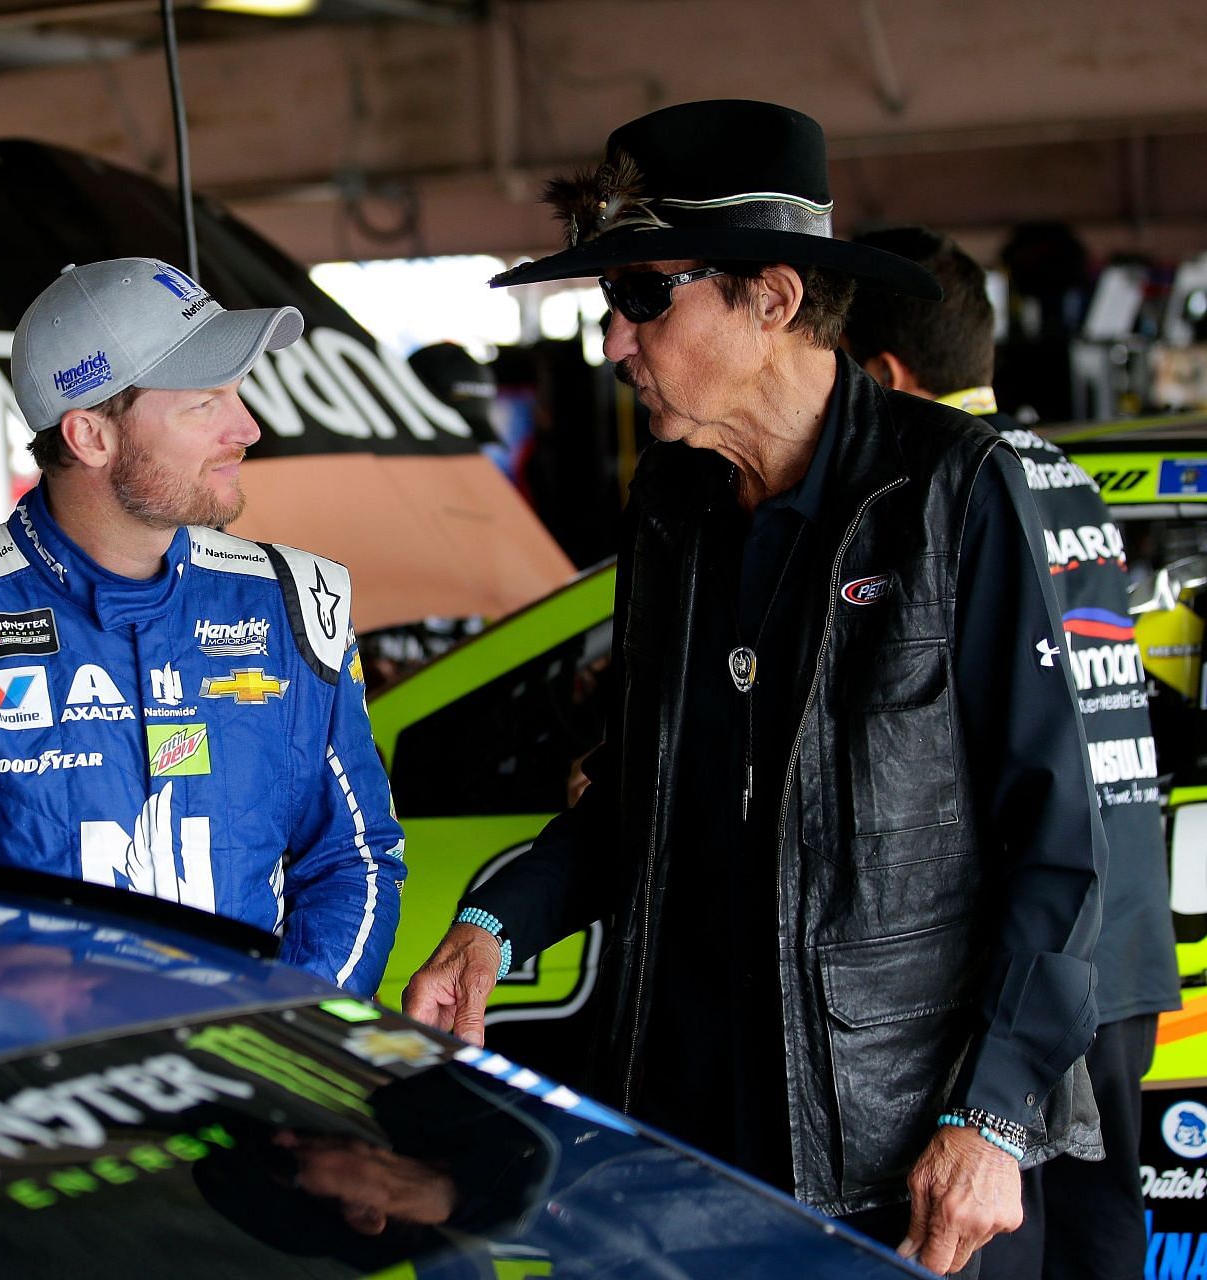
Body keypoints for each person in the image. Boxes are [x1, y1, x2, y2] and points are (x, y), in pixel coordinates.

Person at [399, 100, 1103, 1277]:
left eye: (642, 299)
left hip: (894, 1166)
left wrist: (990, 1117)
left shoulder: (952, 492)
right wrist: (491, 924)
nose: (615, 343)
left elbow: (1057, 849)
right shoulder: (672, 503)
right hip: (680, 1145)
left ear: (772, 298)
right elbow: (642, 796)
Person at [0, 257, 406, 996]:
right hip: (38, 1094)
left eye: (237, 393)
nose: (247, 428)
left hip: (251, 1083)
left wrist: (293, 1036)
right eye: (205, 403)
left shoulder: (297, 601)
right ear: (89, 435)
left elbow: (354, 857)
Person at [844, 225, 1181, 1280]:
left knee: (1000, 1244)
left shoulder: (945, 493)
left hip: (1024, 949)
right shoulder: (1064, 475)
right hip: (1120, 924)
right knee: (1101, 1232)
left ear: (885, 375)